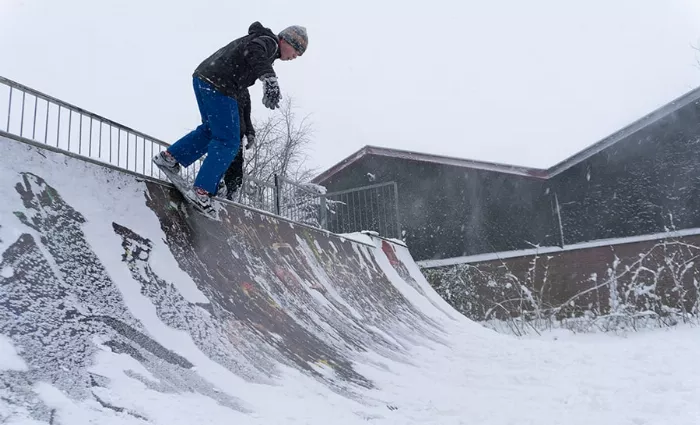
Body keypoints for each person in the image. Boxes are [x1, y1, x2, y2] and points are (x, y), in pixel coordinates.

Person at [153, 21, 307, 212]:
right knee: (228, 141)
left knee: (211, 131)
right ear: (286, 40)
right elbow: (254, 50)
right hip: (220, 84)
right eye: (296, 50)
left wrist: (249, 126)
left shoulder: (264, 45)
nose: (295, 56)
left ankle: (170, 157)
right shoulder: (269, 43)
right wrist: (269, 78)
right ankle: (202, 191)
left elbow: (244, 89)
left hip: (205, 78)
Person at [219, 87, 255, 200]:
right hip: (221, 131)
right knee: (220, 160)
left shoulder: (244, 91)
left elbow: (246, 115)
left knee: (236, 167)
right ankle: (215, 185)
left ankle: (232, 193)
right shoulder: (224, 82)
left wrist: (250, 133)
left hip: (237, 134)